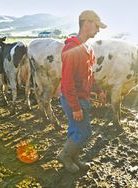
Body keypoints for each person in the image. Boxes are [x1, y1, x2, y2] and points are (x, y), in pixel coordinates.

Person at [57, 10, 107, 173]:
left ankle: (73, 157)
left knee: (77, 130)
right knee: (83, 132)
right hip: (74, 99)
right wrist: (76, 107)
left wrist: (98, 90)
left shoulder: (88, 49)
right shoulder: (71, 48)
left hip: (81, 98)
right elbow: (67, 81)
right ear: (86, 24)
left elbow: (89, 75)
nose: (98, 30)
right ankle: (65, 156)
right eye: (97, 26)